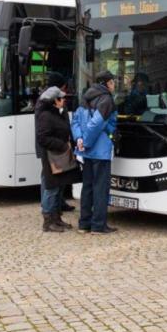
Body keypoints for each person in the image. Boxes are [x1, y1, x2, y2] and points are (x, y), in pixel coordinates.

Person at [72, 70, 118, 234]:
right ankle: (98, 225)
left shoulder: (85, 98)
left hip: (86, 152)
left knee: (88, 187)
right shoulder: (106, 100)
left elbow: (76, 121)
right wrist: (87, 142)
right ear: (106, 83)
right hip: (100, 150)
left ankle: (84, 223)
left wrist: (79, 139)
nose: (114, 85)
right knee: (100, 188)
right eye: (112, 82)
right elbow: (96, 124)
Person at [35, 86, 79, 232]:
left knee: (59, 187)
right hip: (52, 157)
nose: (64, 100)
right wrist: (62, 146)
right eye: (62, 98)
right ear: (55, 101)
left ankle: (56, 218)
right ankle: (48, 221)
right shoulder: (46, 115)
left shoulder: (58, 113)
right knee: (51, 187)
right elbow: (42, 138)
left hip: (60, 155)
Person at [46, 71, 76, 213]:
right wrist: (63, 145)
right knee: (50, 183)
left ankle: (57, 209)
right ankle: (50, 213)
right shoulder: (48, 102)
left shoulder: (52, 100)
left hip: (57, 147)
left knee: (57, 182)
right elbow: (44, 133)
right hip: (53, 149)